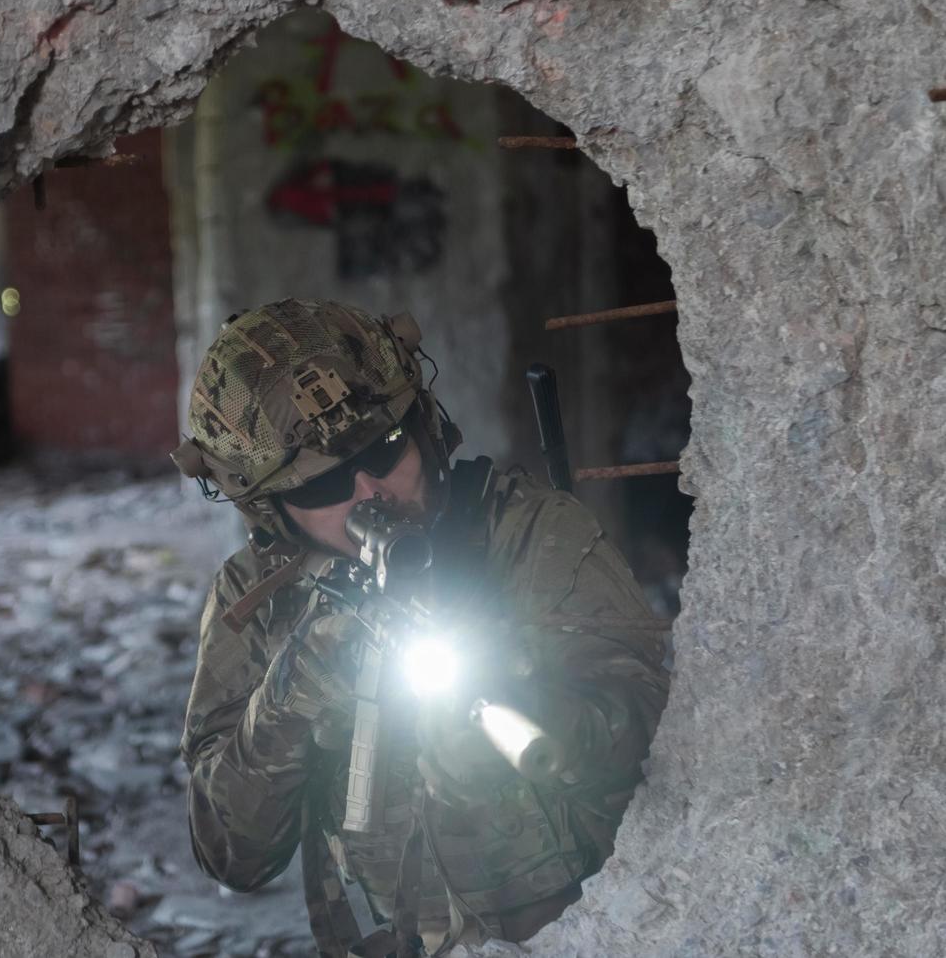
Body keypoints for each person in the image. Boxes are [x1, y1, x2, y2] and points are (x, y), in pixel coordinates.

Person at [170, 298, 670, 957]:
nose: (370, 493)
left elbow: (655, 736)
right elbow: (231, 856)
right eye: (322, 488)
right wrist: (290, 698)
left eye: (385, 448)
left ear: (423, 425)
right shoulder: (257, 596)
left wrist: (536, 719)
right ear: (270, 509)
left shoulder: (529, 533)